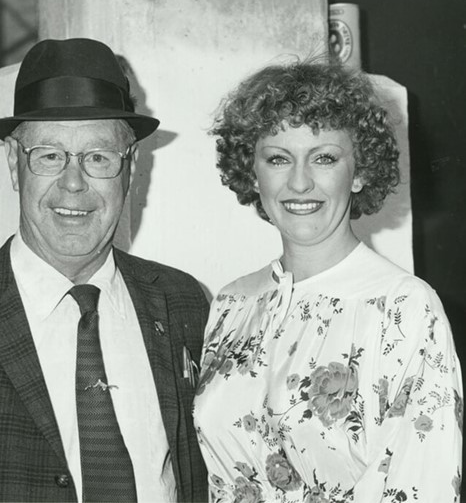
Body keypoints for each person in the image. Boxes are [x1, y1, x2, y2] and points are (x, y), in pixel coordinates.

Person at [0, 38, 208, 502]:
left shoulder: (182, 302)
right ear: (14, 163)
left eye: (98, 157)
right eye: (50, 156)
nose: (73, 183)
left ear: (131, 168)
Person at [193, 61, 463, 502]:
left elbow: (422, 487)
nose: (300, 182)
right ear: (253, 173)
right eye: (278, 159)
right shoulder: (232, 304)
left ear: (359, 172)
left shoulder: (403, 308)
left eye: (324, 158)